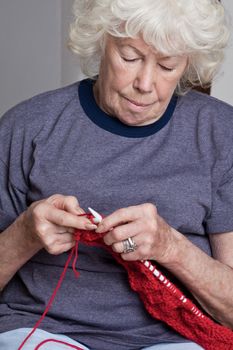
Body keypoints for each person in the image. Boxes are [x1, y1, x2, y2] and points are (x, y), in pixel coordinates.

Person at [0, 0, 233, 349]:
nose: (145, 83)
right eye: (130, 57)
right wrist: (25, 234)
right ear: (101, 41)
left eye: (168, 65)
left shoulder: (220, 133)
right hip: (41, 331)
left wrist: (172, 248)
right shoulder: (27, 127)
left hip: (175, 339)